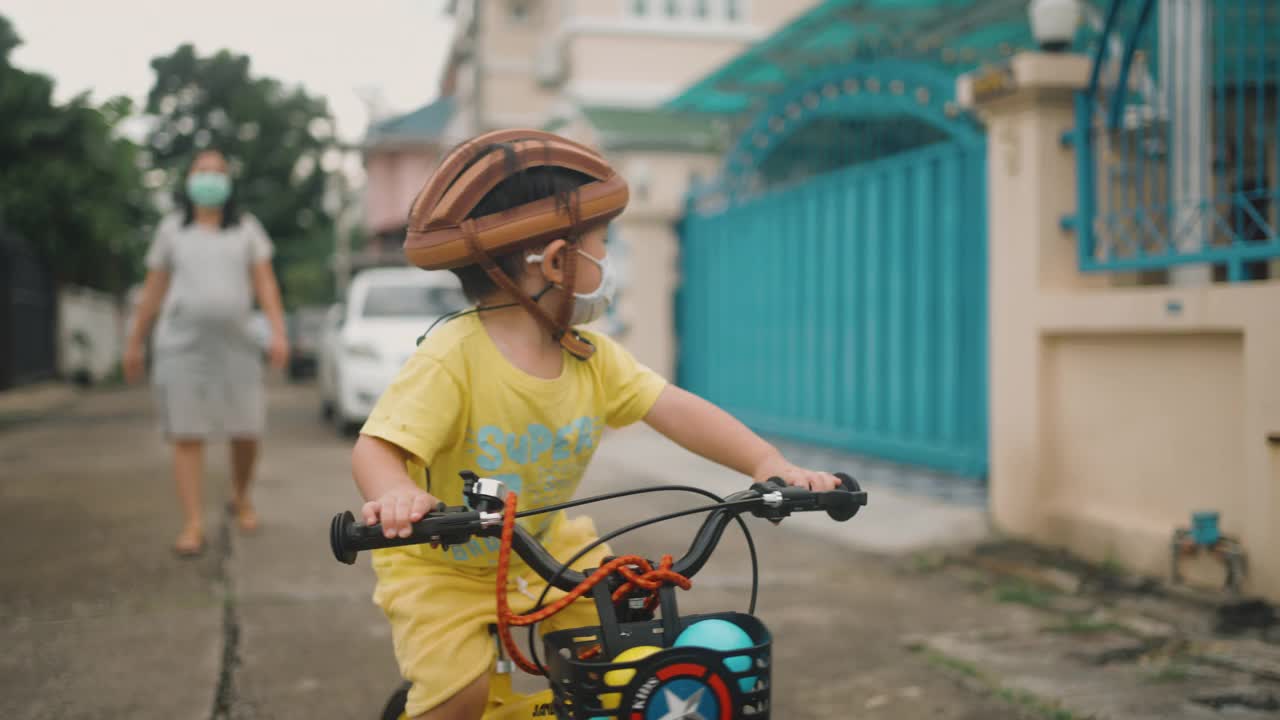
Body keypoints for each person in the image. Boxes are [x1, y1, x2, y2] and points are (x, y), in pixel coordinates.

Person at [350, 130, 839, 720]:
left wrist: (770, 467)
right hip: (440, 566)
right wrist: (397, 493)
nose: (609, 264)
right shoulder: (453, 358)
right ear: (557, 262)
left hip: (546, 553)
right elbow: (376, 448)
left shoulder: (589, 356)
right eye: (602, 245)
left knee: (616, 668)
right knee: (460, 699)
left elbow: (676, 408)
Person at [124, 149, 289, 556]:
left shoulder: (247, 229)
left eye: (219, 170)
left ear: (230, 182)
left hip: (238, 345)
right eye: (202, 170)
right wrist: (134, 340)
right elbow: (154, 289)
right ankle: (193, 524)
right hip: (182, 347)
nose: (210, 177)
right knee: (186, 433)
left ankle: (242, 495)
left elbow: (265, 284)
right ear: (188, 178)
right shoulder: (171, 230)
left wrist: (278, 332)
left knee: (247, 430)